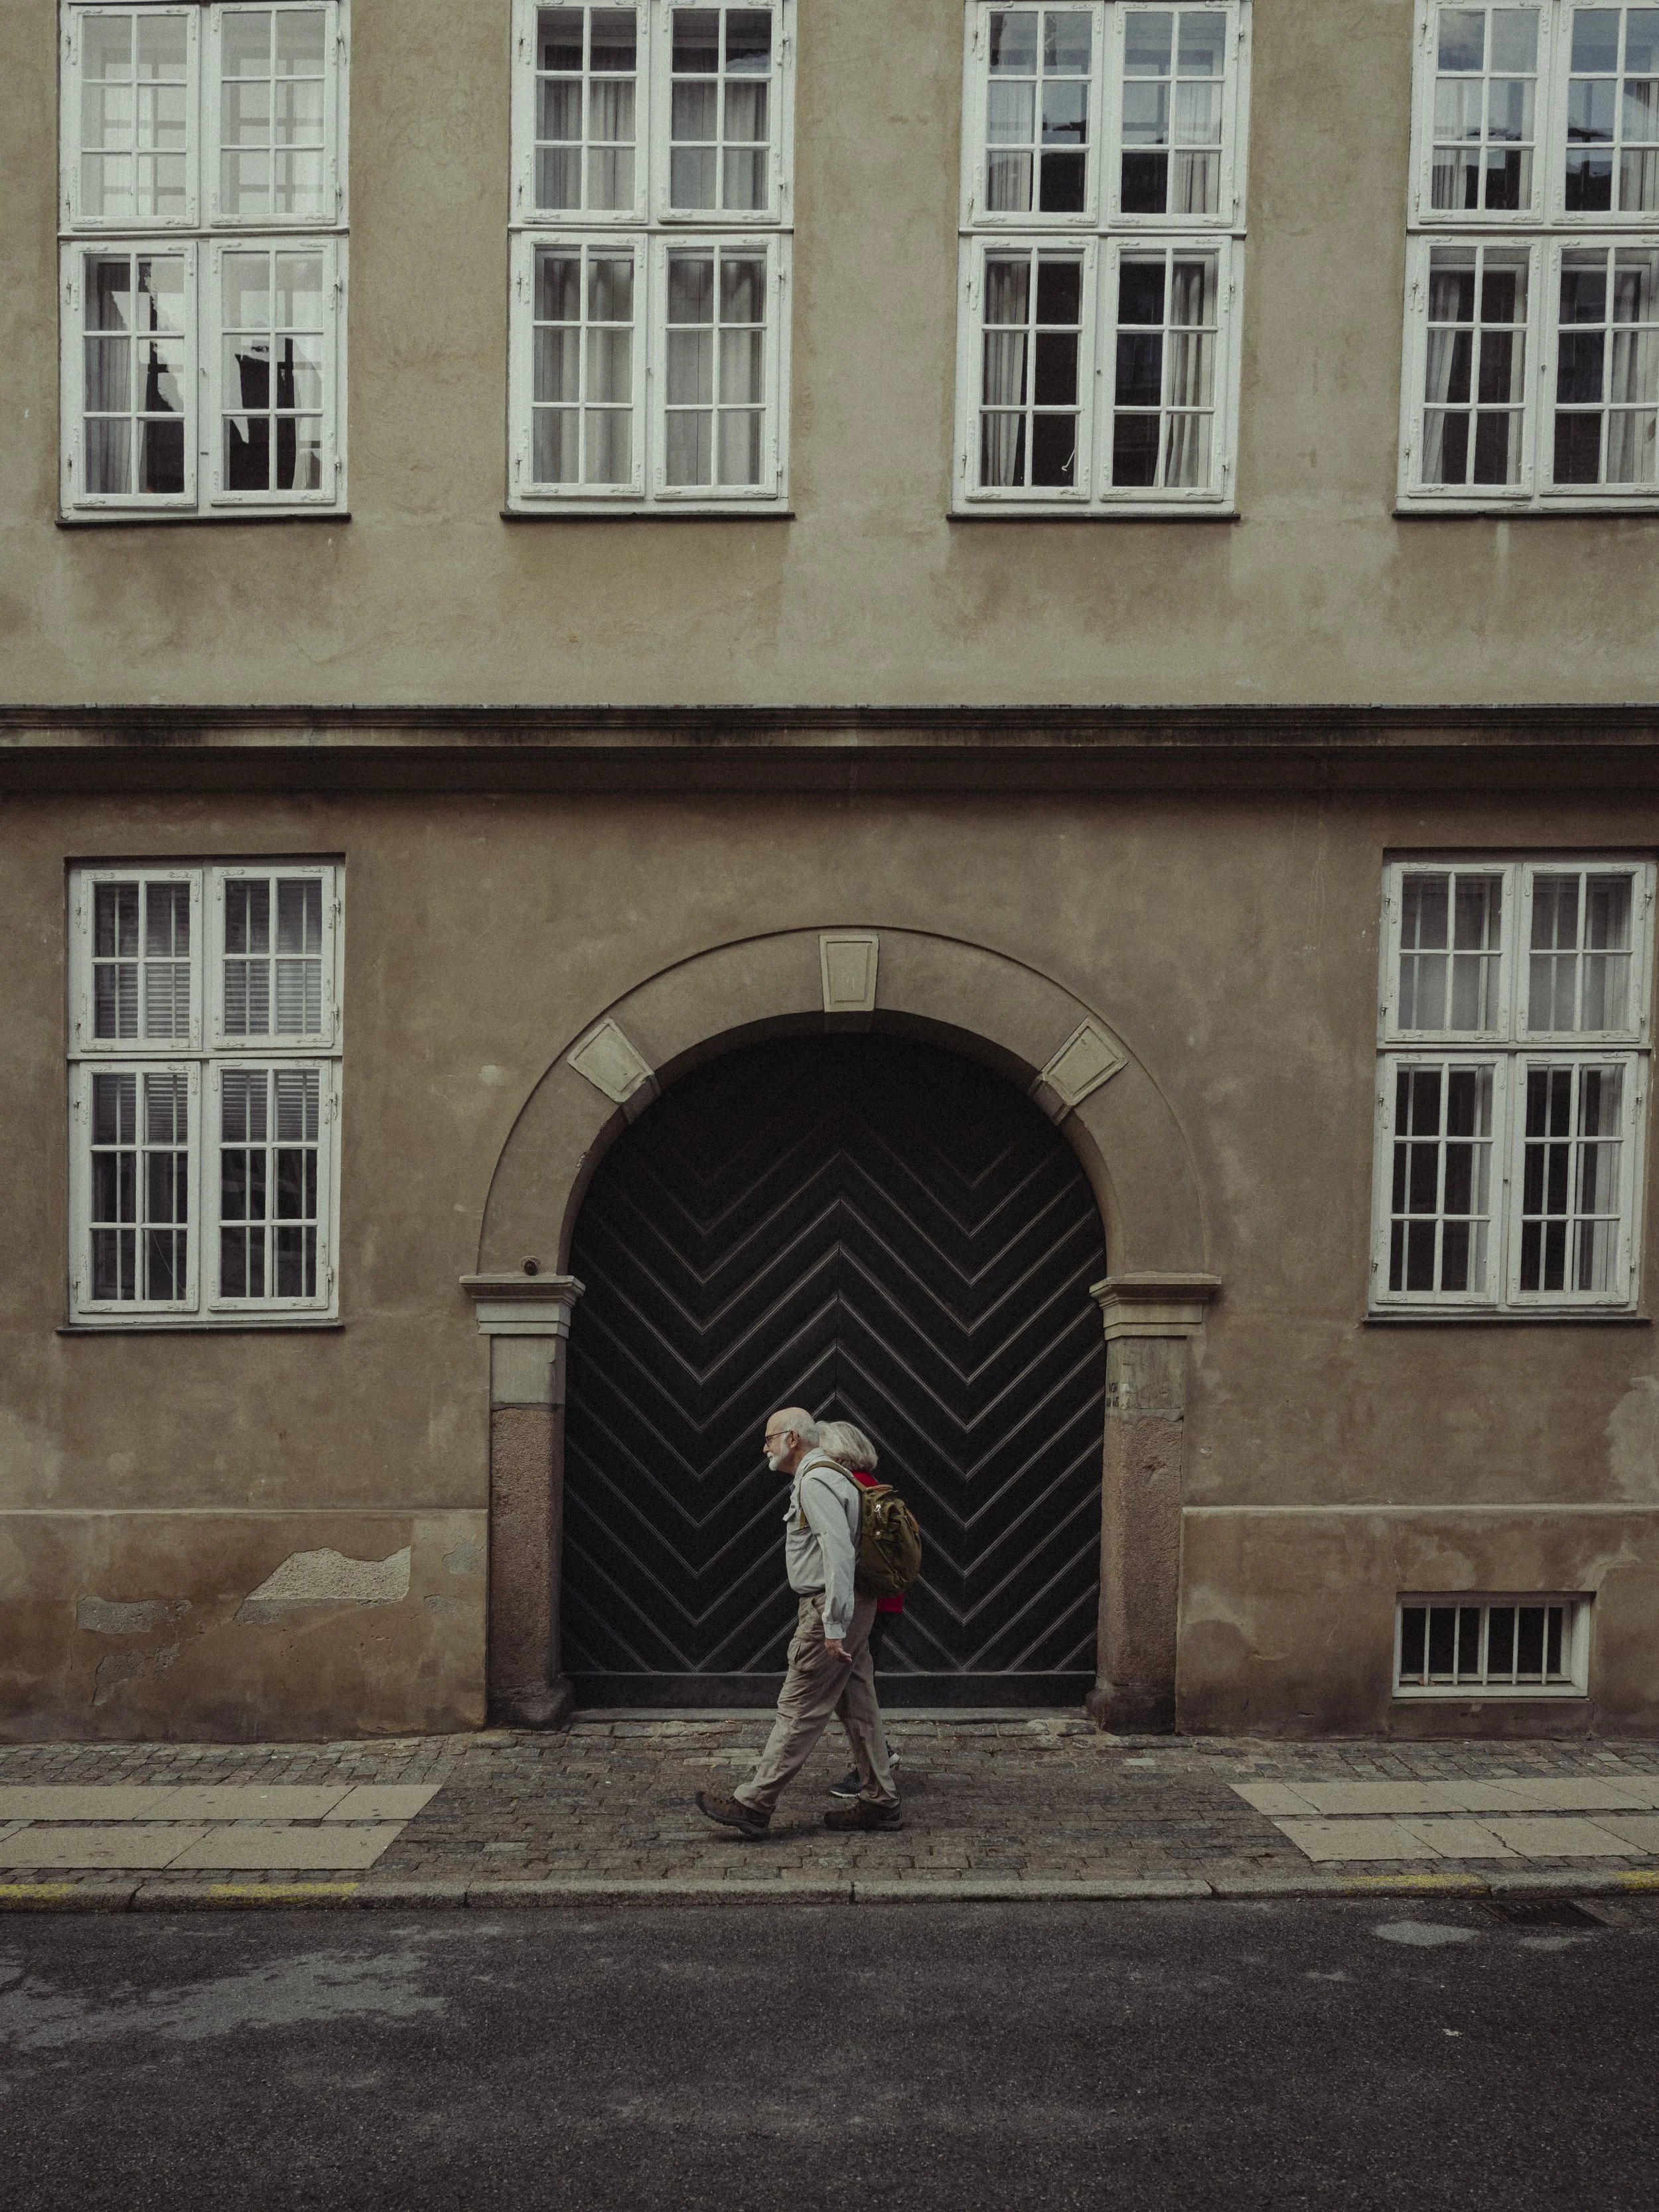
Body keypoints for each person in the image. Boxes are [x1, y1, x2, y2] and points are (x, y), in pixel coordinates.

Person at [694, 1407, 902, 1839]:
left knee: (800, 1703)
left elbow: (839, 1551)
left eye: (769, 1437)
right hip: (852, 1603)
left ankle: (754, 1803)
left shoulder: (816, 1479)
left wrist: (833, 1622)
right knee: (857, 1701)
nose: (764, 1446)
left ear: (791, 1438)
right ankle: (881, 1802)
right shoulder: (827, 1476)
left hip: (831, 1604)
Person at [817, 1419, 904, 1801]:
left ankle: (875, 1763)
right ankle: (876, 1762)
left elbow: (840, 1554)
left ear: (836, 1454)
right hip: (881, 1600)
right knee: (855, 1684)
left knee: (852, 1686)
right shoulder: (874, 1488)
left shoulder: (848, 1489)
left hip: (861, 1602)